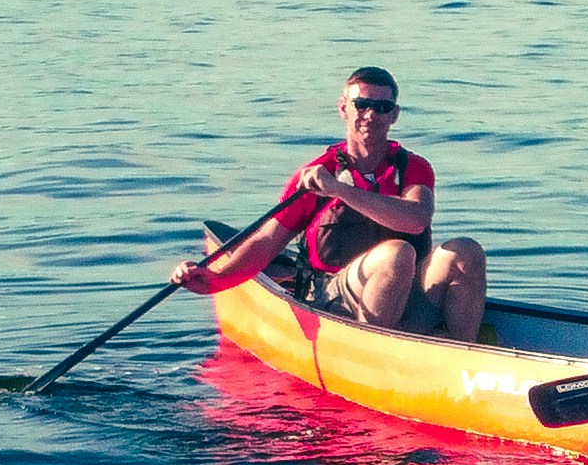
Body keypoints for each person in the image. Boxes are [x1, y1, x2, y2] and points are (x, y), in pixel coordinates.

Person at [173, 65, 488, 341]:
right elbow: (268, 241)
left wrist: (339, 190)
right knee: (397, 253)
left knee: (465, 251)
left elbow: (417, 218)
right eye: (361, 104)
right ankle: (374, 353)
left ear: (394, 114)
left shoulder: (413, 168)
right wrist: (217, 280)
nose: (370, 115)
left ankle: (462, 354)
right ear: (344, 108)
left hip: (403, 293)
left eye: (382, 107)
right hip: (333, 298)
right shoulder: (314, 175)